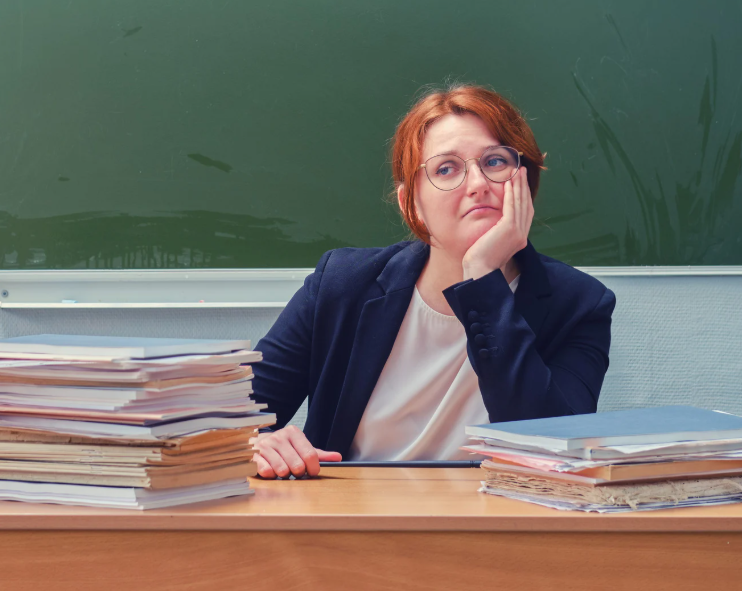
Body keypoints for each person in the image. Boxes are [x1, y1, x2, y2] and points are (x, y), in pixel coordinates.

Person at [250, 84, 616, 479]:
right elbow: (222, 423)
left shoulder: (580, 304)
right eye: (446, 168)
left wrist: (482, 279)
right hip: (352, 524)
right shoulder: (342, 285)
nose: (478, 183)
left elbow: (547, 449)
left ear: (523, 182)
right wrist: (254, 443)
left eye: (495, 162)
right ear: (412, 205)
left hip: (499, 527)